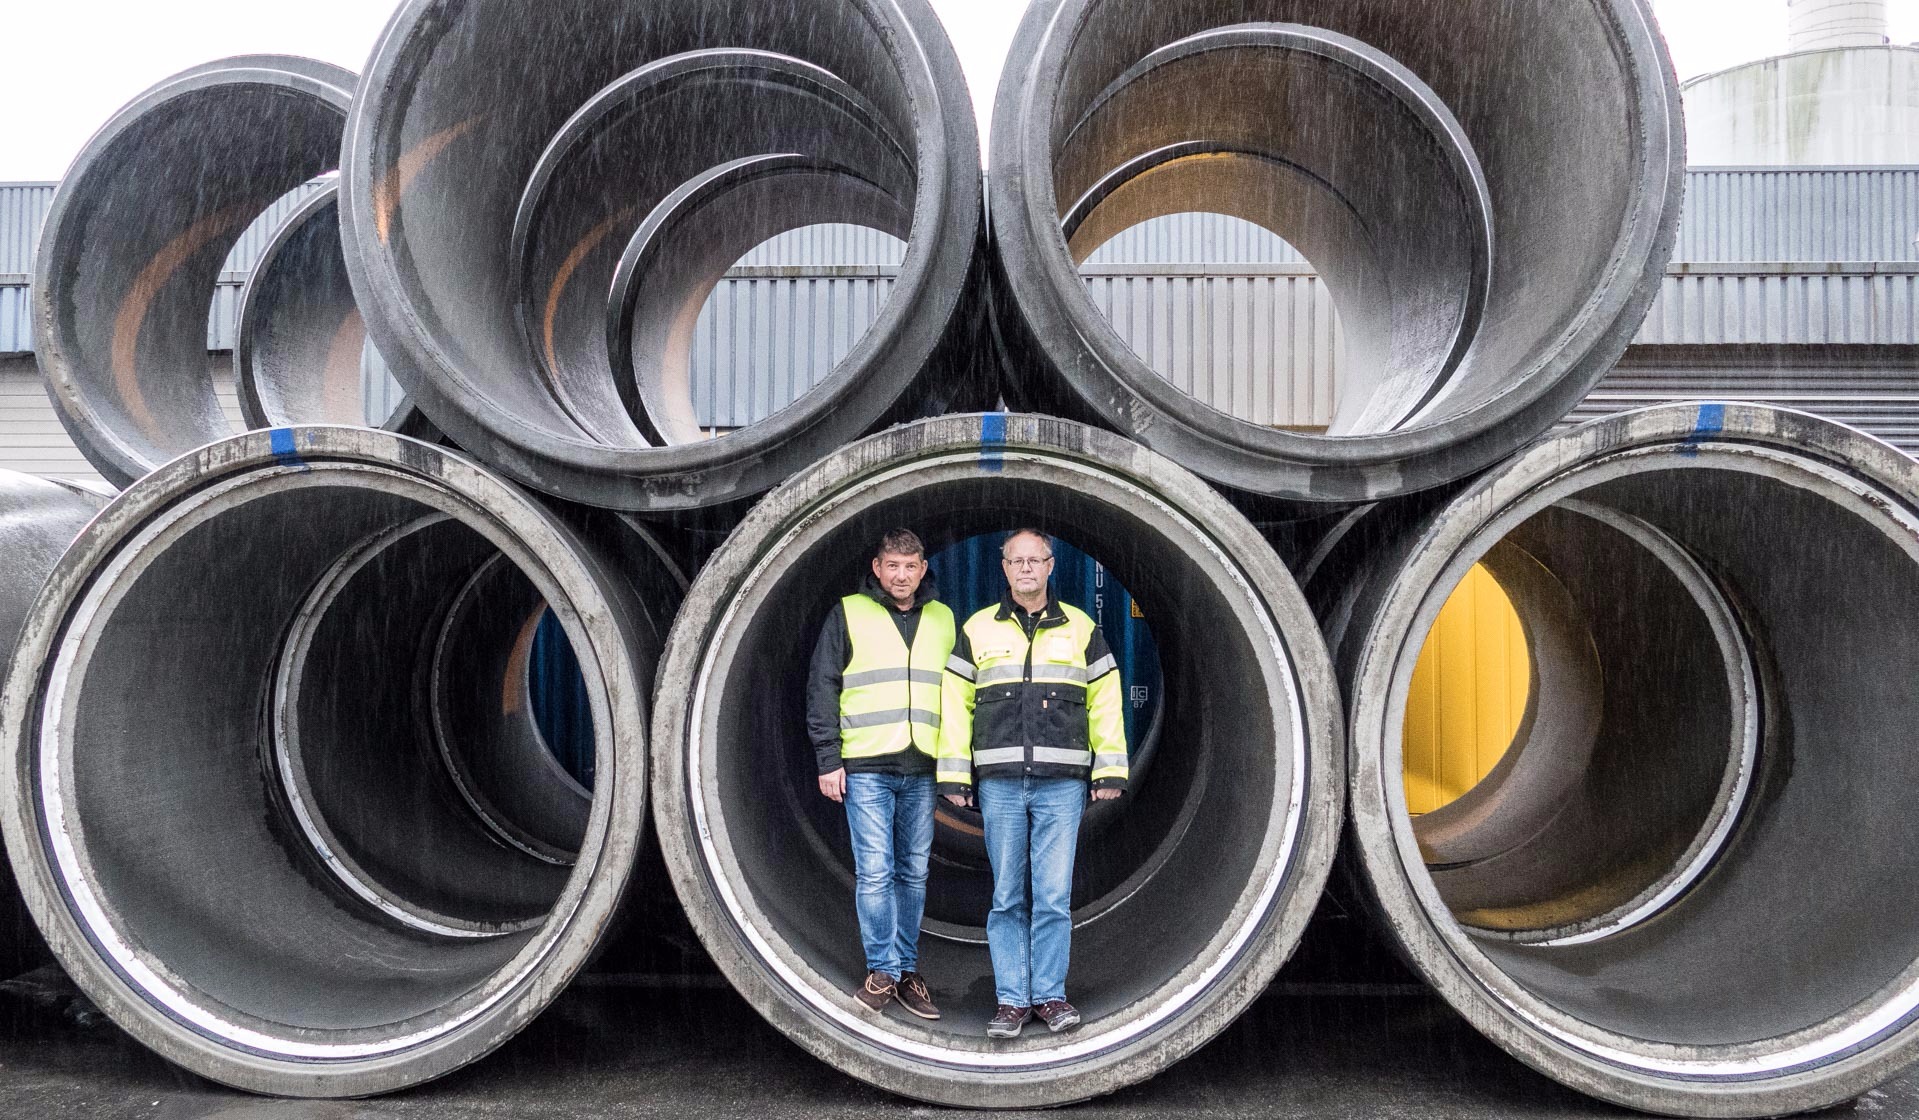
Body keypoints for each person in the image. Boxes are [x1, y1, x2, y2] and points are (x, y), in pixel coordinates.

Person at [940, 529, 1127, 1039]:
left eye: (1034, 560)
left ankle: (1048, 995)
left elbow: (1106, 701)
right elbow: (954, 709)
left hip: (1061, 785)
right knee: (1006, 896)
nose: (1025, 568)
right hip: (999, 783)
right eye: (1016, 561)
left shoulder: (1082, 629)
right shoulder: (977, 630)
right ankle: (1010, 1001)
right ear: (1003, 568)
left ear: (1050, 566)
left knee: (1051, 895)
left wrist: (1109, 770)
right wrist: (955, 774)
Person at [806, 528, 971, 1020]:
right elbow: (822, 687)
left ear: (923, 569)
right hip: (867, 766)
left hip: (922, 765)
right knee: (876, 873)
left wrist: (957, 764)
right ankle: (884, 970)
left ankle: (903, 969)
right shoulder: (849, 613)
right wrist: (828, 759)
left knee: (913, 873)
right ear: (877, 568)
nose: (901, 575)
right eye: (892, 566)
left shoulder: (943, 618)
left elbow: (961, 693)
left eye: (910, 566)